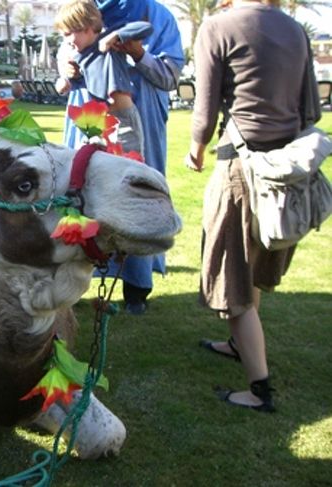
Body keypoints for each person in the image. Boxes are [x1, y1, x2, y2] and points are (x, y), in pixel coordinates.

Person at [186, 0, 320, 411]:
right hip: (285, 172)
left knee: (233, 277)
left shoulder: (218, 26)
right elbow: (311, 107)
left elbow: (204, 111)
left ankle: (259, 390)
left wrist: (196, 148)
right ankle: (237, 345)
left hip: (241, 169)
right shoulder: (295, 29)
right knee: (254, 265)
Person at [58, 0, 183, 314]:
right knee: (80, 191)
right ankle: (76, 278)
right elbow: (67, 46)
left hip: (137, 113)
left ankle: (137, 285)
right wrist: (68, 65)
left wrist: (137, 53)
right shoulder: (82, 7)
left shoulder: (156, 16)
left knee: (138, 188)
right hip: (87, 111)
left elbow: (170, 76)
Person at [54, 0, 150, 156]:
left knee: (128, 166)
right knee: (87, 164)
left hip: (122, 119)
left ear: (87, 27)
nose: (67, 42)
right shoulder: (78, 56)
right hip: (96, 122)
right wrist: (64, 81)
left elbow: (145, 28)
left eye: (68, 34)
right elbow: (74, 79)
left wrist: (116, 36)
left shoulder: (110, 41)